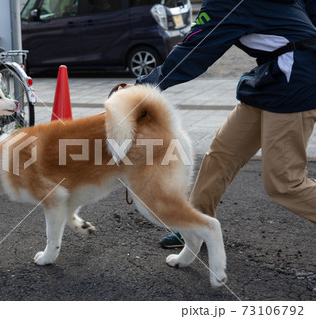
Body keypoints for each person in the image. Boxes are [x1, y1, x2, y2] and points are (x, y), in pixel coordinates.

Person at [133, 0, 316, 247]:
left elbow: (195, 50)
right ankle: (196, 226)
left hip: (294, 81)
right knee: (222, 154)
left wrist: (145, 86)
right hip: (273, 78)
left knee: (285, 183)